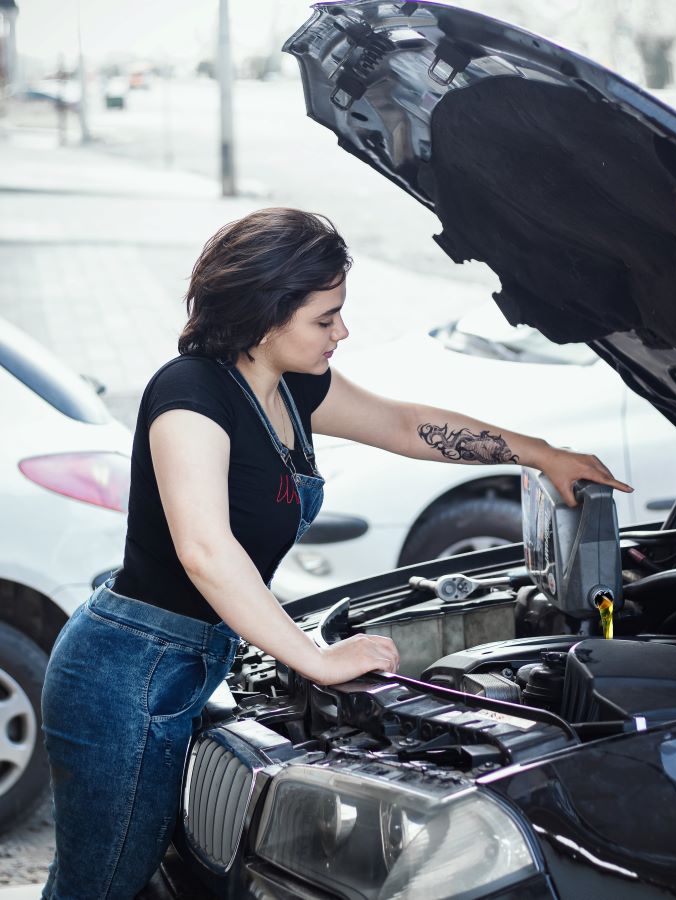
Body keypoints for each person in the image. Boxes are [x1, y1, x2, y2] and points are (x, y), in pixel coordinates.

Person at [40, 207, 632, 899]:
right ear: (266, 312)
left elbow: (403, 423)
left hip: (186, 663)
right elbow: (205, 550)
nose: (342, 333)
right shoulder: (189, 395)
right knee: (99, 886)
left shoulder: (289, 386)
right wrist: (313, 657)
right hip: (124, 673)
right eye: (326, 318)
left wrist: (542, 455)